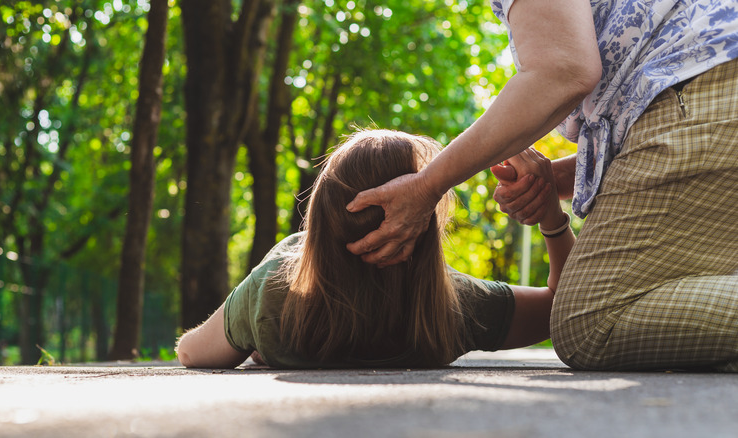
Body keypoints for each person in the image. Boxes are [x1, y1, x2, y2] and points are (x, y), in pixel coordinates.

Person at [345, 0, 738, 371]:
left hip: (700, 86)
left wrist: (428, 185)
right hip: (713, 81)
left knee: (590, 325)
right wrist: (557, 186)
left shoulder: (290, 296)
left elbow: (563, 70)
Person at [175, 130, 573, 368]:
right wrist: (552, 219)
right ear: (423, 227)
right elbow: (565, 308)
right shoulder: (454, 306)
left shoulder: (273, 294)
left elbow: (191, 353)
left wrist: (258, 330)